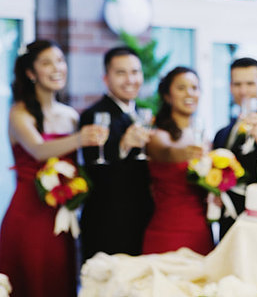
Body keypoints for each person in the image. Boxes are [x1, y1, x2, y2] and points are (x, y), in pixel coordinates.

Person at [0, 40, 107, 297]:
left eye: (60, 61)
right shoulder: (19, 113)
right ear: (30, 73)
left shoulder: (70, 115)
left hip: (61, 215)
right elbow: (37, 150)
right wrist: (80, 138)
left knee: (59, 282)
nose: (57, 68)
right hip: (28, 215)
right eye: (47, 63)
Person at [79, 46, 154, 262]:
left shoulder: (142, 114)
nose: (130, 79)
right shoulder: (92, 115)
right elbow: (95, 168)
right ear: (106, 78)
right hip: (107, 222)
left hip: (142, 219)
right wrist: (122, 145)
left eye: (135, 72)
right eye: (121, 73)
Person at [142, 66, 214, 255]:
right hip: (167, 231)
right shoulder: (158, 136)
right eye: (181, 88)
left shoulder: (205, 138)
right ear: (167, 96)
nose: (189, 93)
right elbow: (168, 153)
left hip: (200, 231)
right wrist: (191, 153)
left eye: (194, 87)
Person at [213, 57, 257, 238]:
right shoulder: (222, 132)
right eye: (237, 84)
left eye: (250, 84)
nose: (243, 91)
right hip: (227, 223)